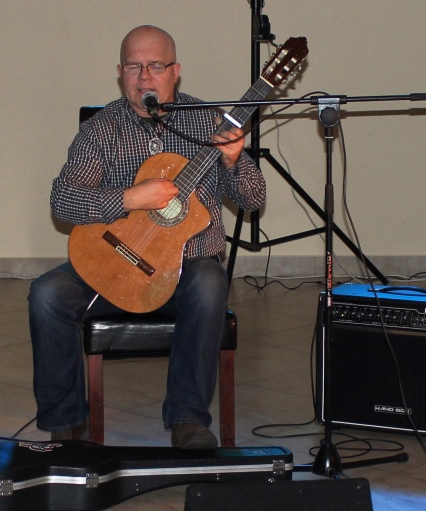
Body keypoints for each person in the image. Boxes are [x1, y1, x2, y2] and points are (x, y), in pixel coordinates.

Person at [28, 25, 266, 448]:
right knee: (47, 294)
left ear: (176, 71)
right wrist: (129, 198)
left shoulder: (209, 120)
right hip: (115, 259)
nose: (144, 76)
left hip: (185, 270)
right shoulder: (103, 129)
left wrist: (233, 161)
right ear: (120, 72)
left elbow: (253, 198)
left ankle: (188, 420)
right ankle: (67, 423)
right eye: (134, 66)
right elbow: (63, 199)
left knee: (210, 282)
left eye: (155, 65)